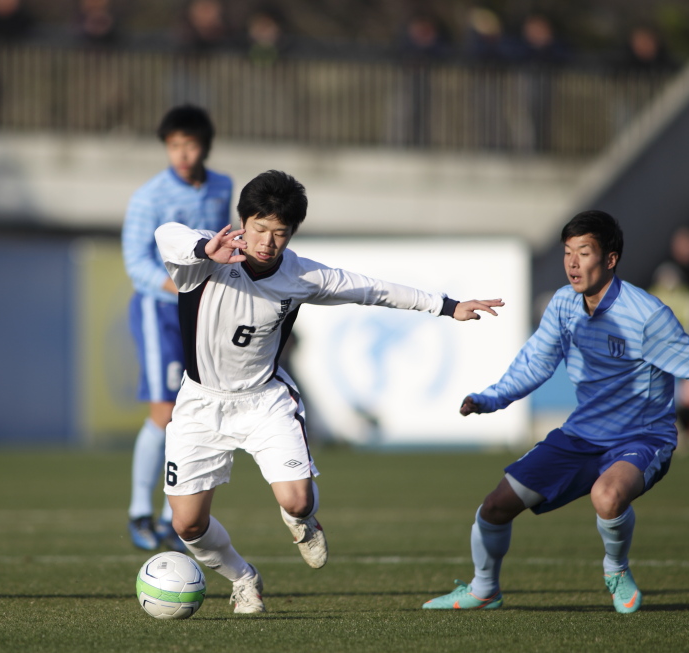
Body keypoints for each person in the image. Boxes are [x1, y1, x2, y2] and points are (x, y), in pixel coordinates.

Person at [156, 170, 503, 613]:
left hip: (263, 400)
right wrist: (205, 248)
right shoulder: (207, 253)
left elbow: (373, 290)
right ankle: (243, 578)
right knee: (187, 525)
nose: (266, 242)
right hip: (200, 404)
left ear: (291, 233)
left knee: (296, 500)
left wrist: (448, 306)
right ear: (243, 221)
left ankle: (302, 519)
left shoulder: (301, 275)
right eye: (259, 228)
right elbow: (166, 234)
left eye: (279, 233)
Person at [422, 210, 689, 614]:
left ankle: (616, 569)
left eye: (584, 252)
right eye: (567, 253)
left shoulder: (647, 316)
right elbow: (535, 363)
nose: (573, 263)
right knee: (494, 508)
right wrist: (489, 399)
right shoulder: (564, 304)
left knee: (607, 496)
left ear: (610, 259)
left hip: (643, 438)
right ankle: (484, 588)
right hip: (581, 436)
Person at [122, 105, 233, 552]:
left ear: (205, 145)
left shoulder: (222, 186)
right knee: (163, 413)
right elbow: (136, 264)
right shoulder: (148, 197)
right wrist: (181, 285)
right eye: (173, 146)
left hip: (203, 311)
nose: (182, 154)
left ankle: (172, 516)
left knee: (196, 410)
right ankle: (138, 511)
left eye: (189, 144)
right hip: (160, 310)